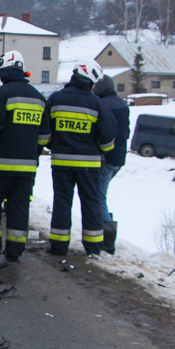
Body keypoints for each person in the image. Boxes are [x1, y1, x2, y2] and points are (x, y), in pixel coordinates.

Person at [0, 51, 50, 261]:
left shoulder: (2, 93)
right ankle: (14, 250)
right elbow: (44, 136)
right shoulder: (38, 96)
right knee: (19, 206)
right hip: (27, 168)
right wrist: (32, 154)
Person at [45, 60, 117, 257]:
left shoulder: (55, 99)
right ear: (91, 80)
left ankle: (59, 246)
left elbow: (45, 132)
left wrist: (54, 145)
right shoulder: (98, 104)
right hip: (89, 165)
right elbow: (108, 138)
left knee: (62, 202)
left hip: (61, 162)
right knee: (91, 204)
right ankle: (93, 248)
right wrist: (102, 150)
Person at [93, 74, 130, 255]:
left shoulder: (105, 105)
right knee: (101, 195)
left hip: (107, 157)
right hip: (119, 158)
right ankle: (104, 235)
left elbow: (104, 132)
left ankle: (106, 241)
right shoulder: (121, 103)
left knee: (98, 197)